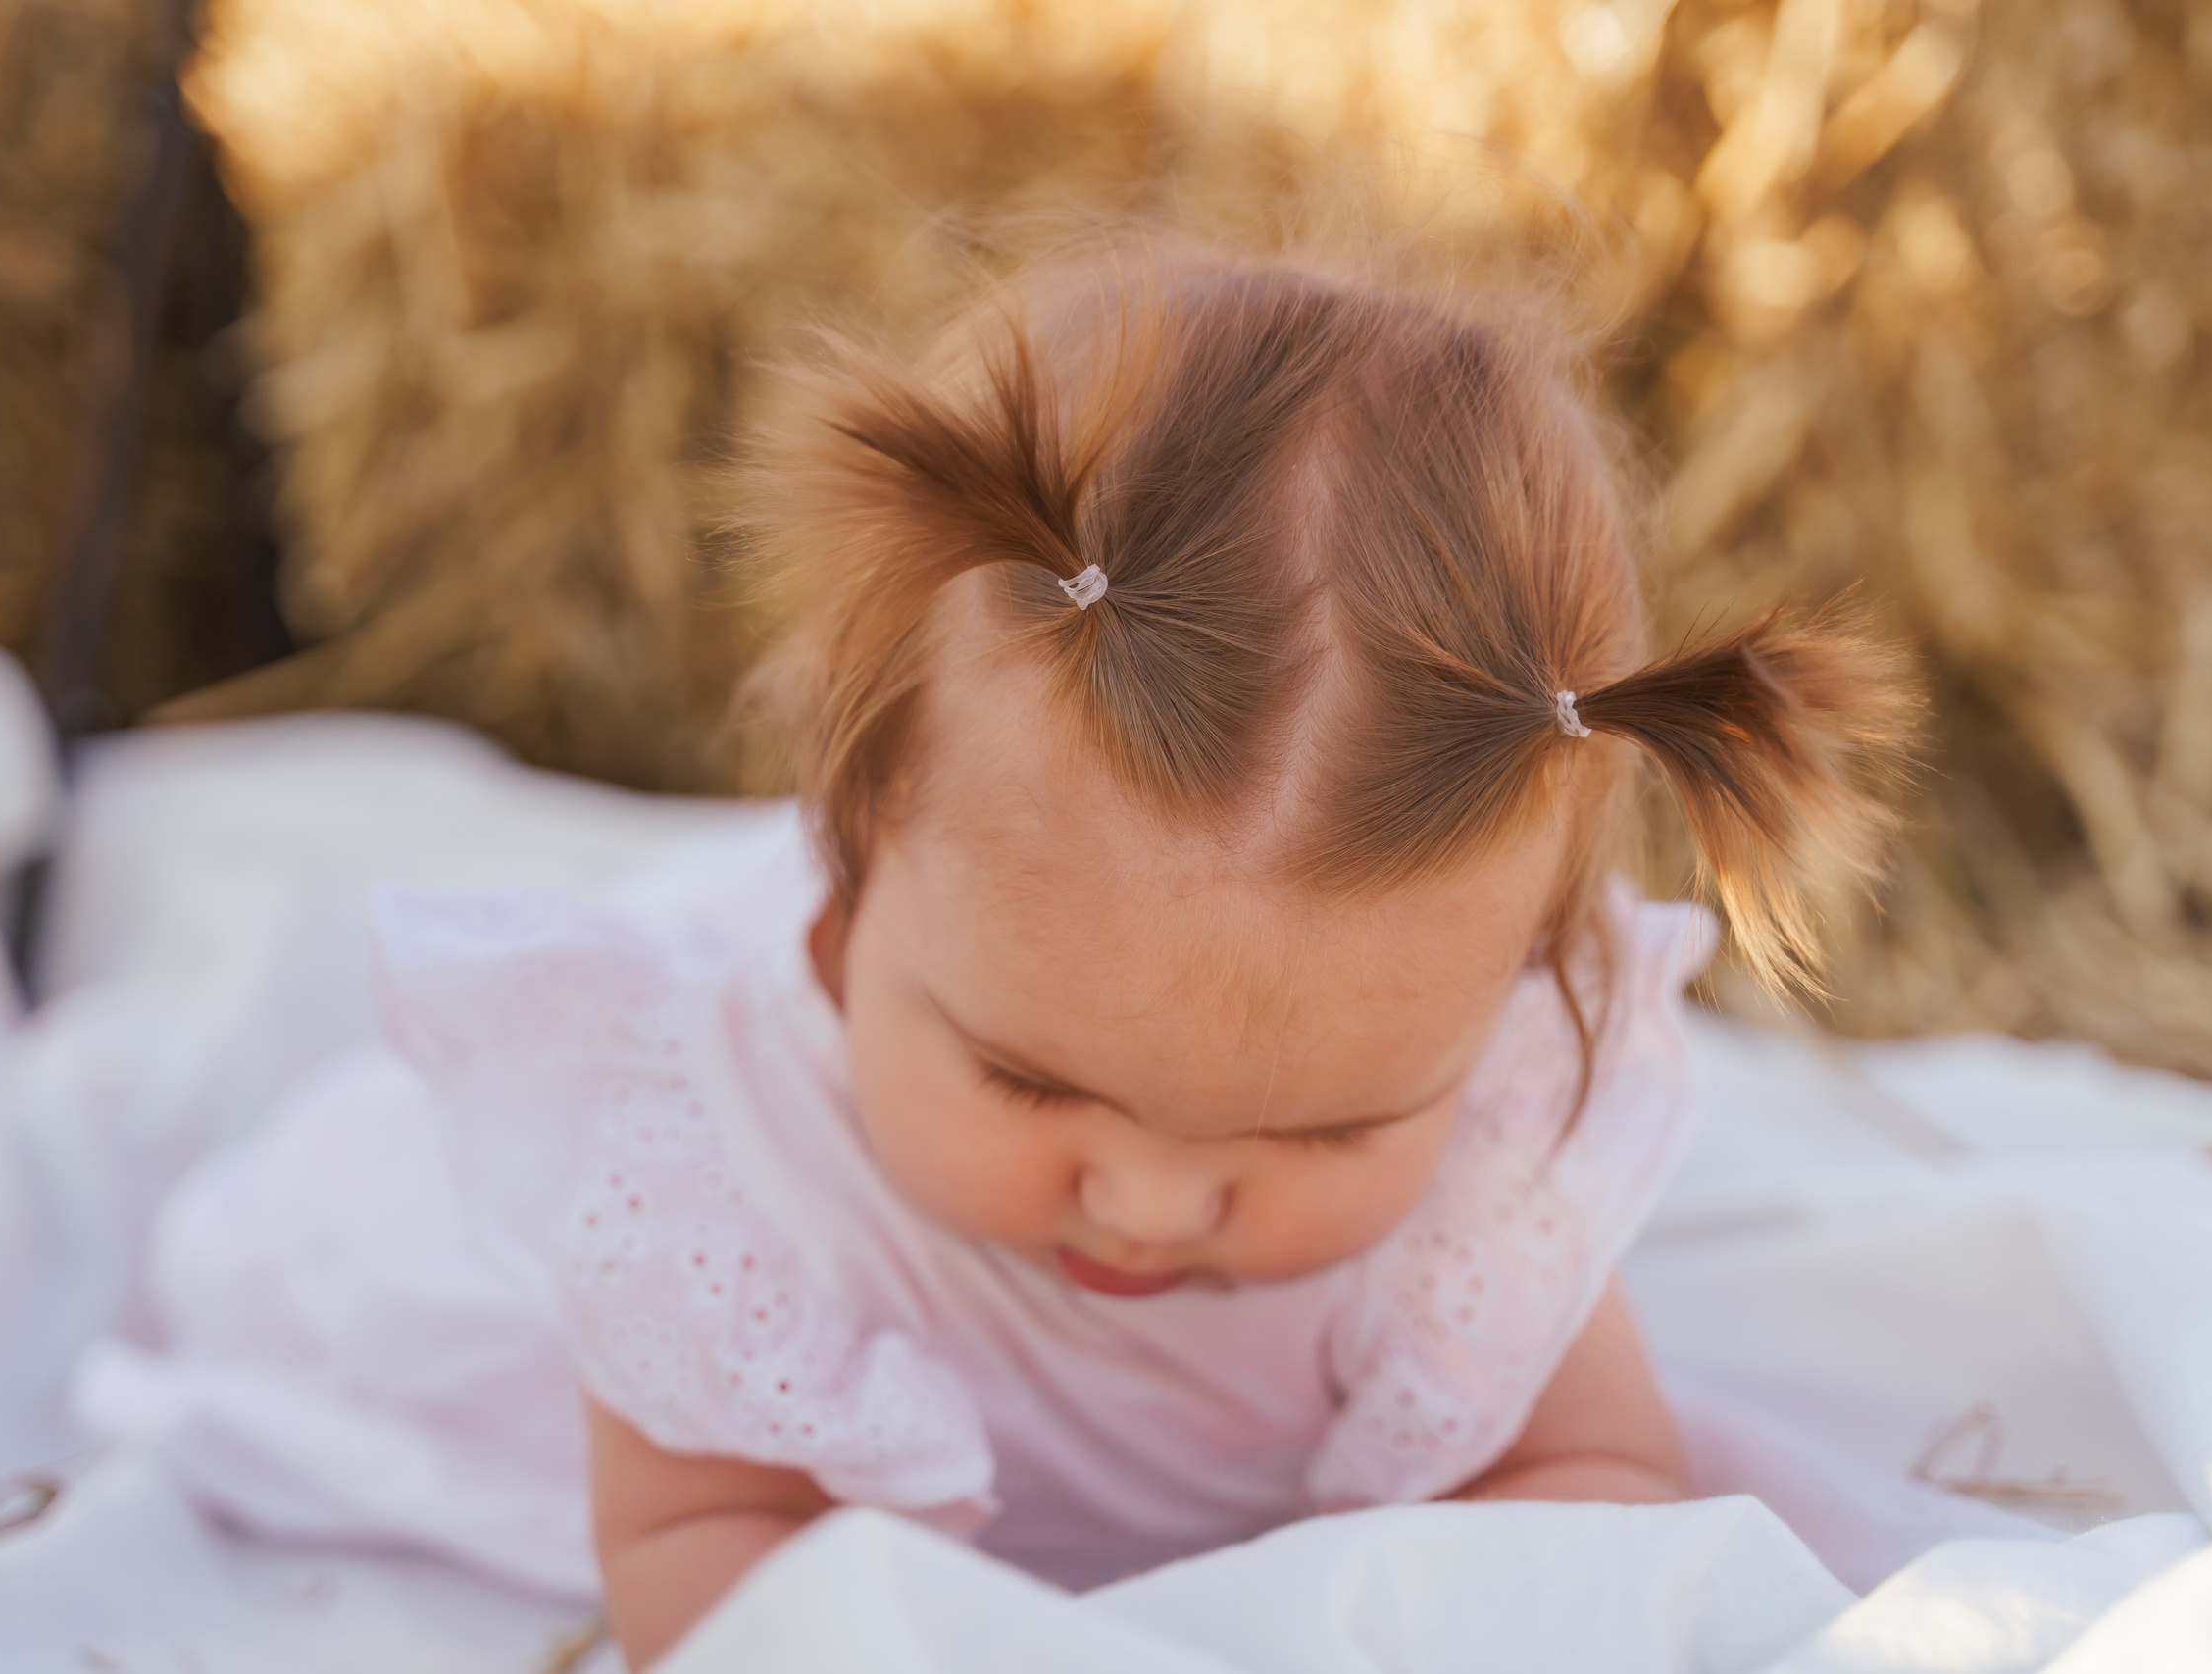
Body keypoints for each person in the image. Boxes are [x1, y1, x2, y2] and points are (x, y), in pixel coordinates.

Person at [96, 237, 1914, 1669]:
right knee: (316, 1287)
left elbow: (1584, 1473)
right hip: (508, 1369)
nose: (1145, 1202)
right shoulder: (708, 1180)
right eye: (1035, 1079)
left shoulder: (1493, 1159)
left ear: (1520, 980)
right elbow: (690, 1541)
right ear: (852, 853)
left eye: (1318, 1133)